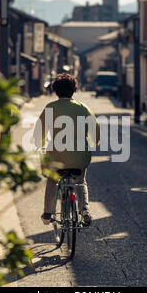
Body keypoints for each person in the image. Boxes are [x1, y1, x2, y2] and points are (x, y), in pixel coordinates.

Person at [34, 74, 100, 227]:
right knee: (80, 181)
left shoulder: (50, 108)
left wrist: (42, 146)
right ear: (74, 90)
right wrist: (91, 143)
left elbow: (39, 134)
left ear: (55, 90)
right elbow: (95, 135)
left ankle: (47, 213)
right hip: (79, 158)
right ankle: (85, 211)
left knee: (52, 179)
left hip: (56, 158)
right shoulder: (83, 108)